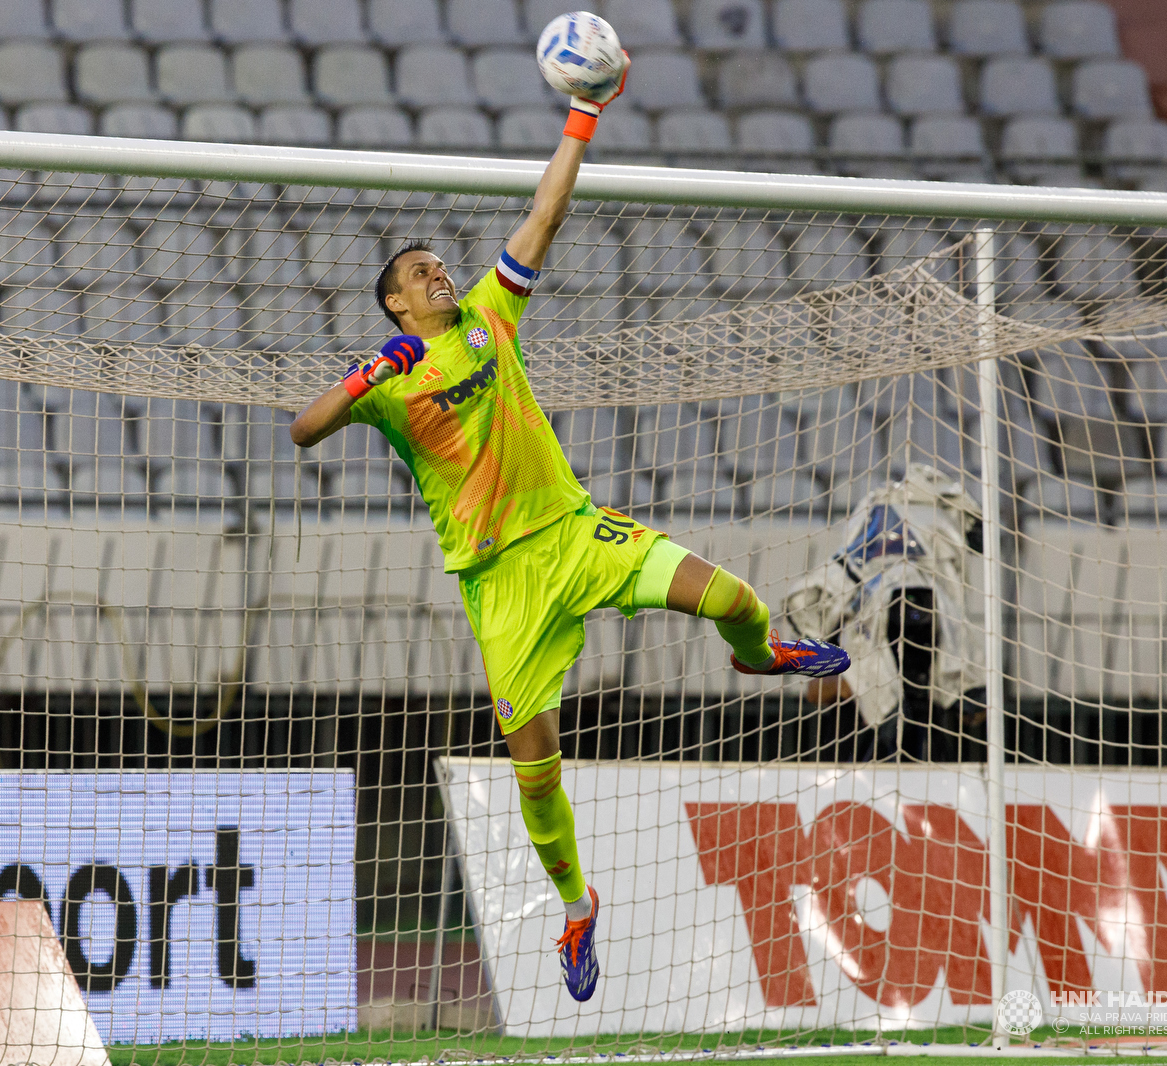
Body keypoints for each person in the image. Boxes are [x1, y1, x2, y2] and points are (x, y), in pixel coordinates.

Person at [289, 67, 849, 1004]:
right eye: (420, 274)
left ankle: (759, 656)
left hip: (576, 531)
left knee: (734, 599)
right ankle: (576, 902)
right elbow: (303, 431)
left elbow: (543, 217)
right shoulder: (386, 385)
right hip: (500, 582)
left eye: (439, 265)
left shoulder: (489, 320)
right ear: (396, 304)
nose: (438, 274)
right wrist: (361, 377)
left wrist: (583, 116)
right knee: (535, 771)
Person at [781, 464, 989, 762]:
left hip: (921, 745)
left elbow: (975, 710)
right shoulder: (850, 616)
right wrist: (860, 679)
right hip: (857, 750)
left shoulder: (947, 642)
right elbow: (815, 692)